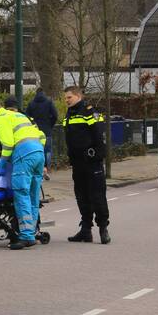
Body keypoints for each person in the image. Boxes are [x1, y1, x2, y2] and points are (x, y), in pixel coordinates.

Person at [0, 96, 45, 250]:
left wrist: (2, 163)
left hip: (24, 156)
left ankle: (26, 237)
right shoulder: (19, 115)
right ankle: (31, 233)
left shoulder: (1, 117)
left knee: (21, 194)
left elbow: (9, 143)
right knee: (33, 196)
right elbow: (42, 135)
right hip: (39, 153)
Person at [62, 85, 110, 244]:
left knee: (97, 196)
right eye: (65, 98)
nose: (66, 100)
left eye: (69, 97)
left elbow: (99, 134)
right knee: (81, 197)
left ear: (78, 96)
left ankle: (103, 228)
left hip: (92, 162)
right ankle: (86, 230)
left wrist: (96, 155)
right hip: (77, 163)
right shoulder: (69, 114)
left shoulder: (90, 111)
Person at [25, 87, 58, 179]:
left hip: (34, 132)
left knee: (35, 150)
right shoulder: (49, 102)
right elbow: (55, 115)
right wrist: (50, 124)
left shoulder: (31, 103)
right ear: (44, 93)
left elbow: (26, 116)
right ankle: (45, 169)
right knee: (47, 151)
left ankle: (36, 169)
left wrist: (32, 124)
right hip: (47, 130)